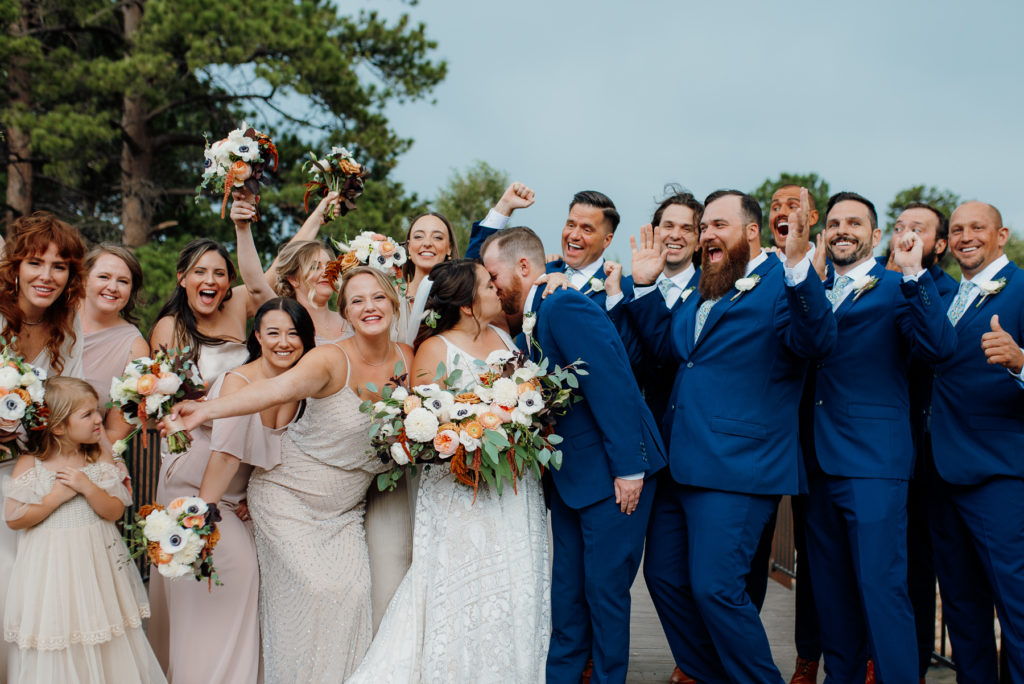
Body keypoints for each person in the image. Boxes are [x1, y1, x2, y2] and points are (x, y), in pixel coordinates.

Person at [626, 189, 836, 683]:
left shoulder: (781, 283)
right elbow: (673, 349)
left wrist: (800, 269)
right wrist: (641, 288)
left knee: (716, 588)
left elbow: (815, 340)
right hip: (681, 462)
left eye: (717, 225)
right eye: (704, 228)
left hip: (740, 466)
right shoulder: (708, 285)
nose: (705, 236)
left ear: (751, 231)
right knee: (662, 577)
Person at [168, 266, 410, 682]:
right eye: (357, 300)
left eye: (377, 298)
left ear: (393, 303)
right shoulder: (330, 358)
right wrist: (208, 409)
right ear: (345, 315)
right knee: (317, 595)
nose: (369, 307)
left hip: (345, 511)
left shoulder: (410, 355)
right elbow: (276, 389)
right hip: (288, 498)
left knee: (353, 598)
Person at [348, 259, 550, 683]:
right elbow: (422, 425)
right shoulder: (434, 349)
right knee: (462, 584)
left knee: (513, 580)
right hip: (460, 489)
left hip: (512, 484)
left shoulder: (502, 335)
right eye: (487, 284)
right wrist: (468, 439)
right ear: (468, 304)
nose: (496, 288)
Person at [480, 227, 666, 684]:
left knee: (605, 596)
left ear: (524, 268)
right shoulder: (532, 312)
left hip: (612, 473)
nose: (489, 284)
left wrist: (629, 468)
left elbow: (613, 383)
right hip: (567, 479)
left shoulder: (563, 304)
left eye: (492, 275)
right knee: (566, 594)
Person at [800, 192, 954, 683]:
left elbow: (938, 347)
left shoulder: (897, 287)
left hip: (874, 465)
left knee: (881, 590)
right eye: (834, 223)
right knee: (832, 596)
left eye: (855, 222)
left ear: (875, 234)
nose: (843, 229)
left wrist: (914, 275)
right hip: (817, 465)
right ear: (824, 234)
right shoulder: (810, 288)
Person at [147, 298, 315, 683]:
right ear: (257, 336)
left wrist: (255, 500)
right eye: (273, 332)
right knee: (212, 605)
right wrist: (199, 522)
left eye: (294, 333)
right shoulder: (239, 381)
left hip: (235, 500)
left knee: (228, 613)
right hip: (198, 494)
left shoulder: (299, 389)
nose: (284, 342)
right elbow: (223, 458)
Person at [3, 377, 165, 683]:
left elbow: (115, 510)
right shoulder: (31, 464)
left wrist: (87, 487)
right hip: (50, 571)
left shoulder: (98, 458)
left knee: (102, 628)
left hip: (95, 566)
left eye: (97, 412)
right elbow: (14, 518)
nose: (98, 421)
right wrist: (53, 499)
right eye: (87, 414)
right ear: (59, 426)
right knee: (58, 632)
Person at [928, 201, 1024, 682]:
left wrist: (1022, 361)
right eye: (958, 229)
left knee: (1018, 607)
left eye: (977, 228)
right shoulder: (946, 297)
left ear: (1001, 235)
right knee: (964, 612)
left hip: (998, 473)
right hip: (941, 472)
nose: (966, 236)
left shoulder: (1023, 289)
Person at [0, 212, 88, 677]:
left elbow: (67, 410)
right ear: (15, 266)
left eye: (60, 267)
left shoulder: (67, 331)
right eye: (36, 263)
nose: (47, 276)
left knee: (21, 596)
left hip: (27, 475)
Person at [884, 202, 958, 681]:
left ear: (940, 244)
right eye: (899, 227)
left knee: (934, 570)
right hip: (893, 449)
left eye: (919, 229)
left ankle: (917, 663)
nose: (906, 234)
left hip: (942, 453)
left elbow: (933, 352)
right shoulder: (881, 286)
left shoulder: (949, 291)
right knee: (898, 567)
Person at [149, 226, 275, 385]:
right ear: (182, 278)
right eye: (200, 272)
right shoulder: (171, 327)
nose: (210, 280)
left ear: (229, 282)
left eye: (219, 273)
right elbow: (166, 392)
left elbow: (278, 271)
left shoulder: (237, 302)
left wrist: (317, 213)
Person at [468, 184, 620, 309]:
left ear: (606, 240)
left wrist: (614, 295)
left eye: (586, 230)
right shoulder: (541, 270)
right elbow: (470, 279)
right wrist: (504, 207)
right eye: (571, 225)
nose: (574, 235)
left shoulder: (618, 289)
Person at [80, 244, 150, 443]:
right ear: (84, 278)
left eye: (123, 281)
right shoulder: (53, 316)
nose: (112, 287)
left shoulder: (135, 348)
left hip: (85, 456)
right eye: (104, 277)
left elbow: (115, 434)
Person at [273, 239, 350, 344]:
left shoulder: (351, 320)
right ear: (293, 279)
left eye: (329, 265)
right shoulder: (286, 328)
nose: (326, 272)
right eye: (314, 267)